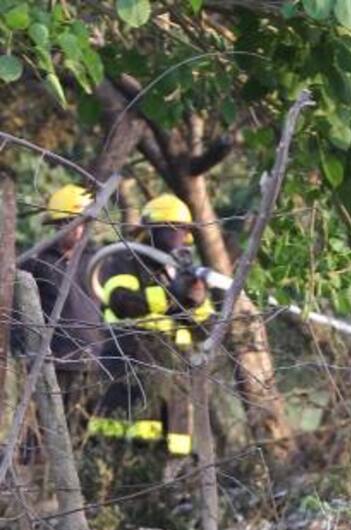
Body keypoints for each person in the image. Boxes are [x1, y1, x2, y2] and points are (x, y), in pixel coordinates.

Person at [88, 193, 216, 478]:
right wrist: (173, 296)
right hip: (130, 362)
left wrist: (191, 302)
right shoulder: (125, 260)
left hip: (176, 374)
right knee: (123, 441)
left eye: (181, 229)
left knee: (174, 443)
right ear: (151, 230)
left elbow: (206, 326)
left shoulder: (184, 271)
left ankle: (166, 490)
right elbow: (122, 302)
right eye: (170, 227)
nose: (177, 235)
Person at [18, 184, 105, 426]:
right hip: (51, 363)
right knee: (43, 430)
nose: (79, 230)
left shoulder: (98, 260)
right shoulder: (36, 262)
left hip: (92, 362)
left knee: (81, 433)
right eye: (70, 223)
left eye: (83, 223)